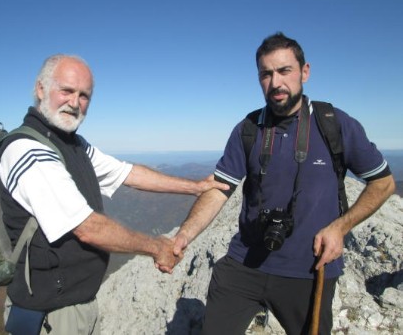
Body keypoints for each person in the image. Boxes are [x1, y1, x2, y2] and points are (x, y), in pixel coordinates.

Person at [166, 32, 396, 334]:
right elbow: (220, 189)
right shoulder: (248, 129)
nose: (275, 82)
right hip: (244, 264)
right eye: (266, 74)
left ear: (305, 72)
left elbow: (383, 182)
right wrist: (182, 237)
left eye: (284, 70)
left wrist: (340, 227)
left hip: (309, 269)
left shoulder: (334, 124)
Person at [0, 54, 228, 335]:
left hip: (76, 304)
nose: (75, 102)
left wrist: (195, 187)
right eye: (67, 90)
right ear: (41, 89)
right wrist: (158, 248)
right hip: (48, 313)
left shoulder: (71, 145)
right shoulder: (29, 151)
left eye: (84, 96)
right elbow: (88, 228)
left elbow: (128, 173)